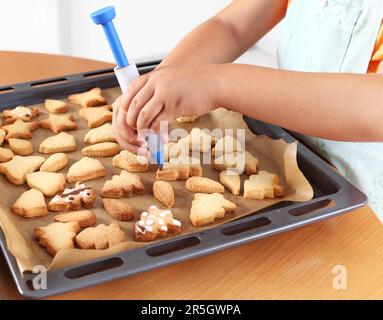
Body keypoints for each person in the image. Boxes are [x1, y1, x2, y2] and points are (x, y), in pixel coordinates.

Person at [113, 0, 383, 221]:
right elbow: (230, 27)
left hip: (368, 216)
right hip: (301, 182)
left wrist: (215, 83)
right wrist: (161, 86)